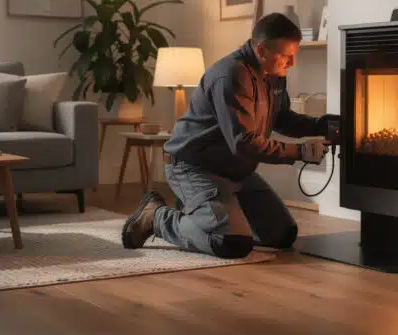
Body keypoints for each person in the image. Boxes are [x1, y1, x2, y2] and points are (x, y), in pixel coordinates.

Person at [121, 13, 333, 259]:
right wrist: (300, 151)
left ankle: (204, 213)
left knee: (281, 235)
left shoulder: (274, 75)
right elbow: (244, 143)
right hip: (194, 167)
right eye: (286, 55)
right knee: (231, 243)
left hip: (235, 171)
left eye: (294, 54)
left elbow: (281, 118)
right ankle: (157, 217)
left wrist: (320, 125)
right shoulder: (231, 75)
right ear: (261, 50)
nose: (292, 63)